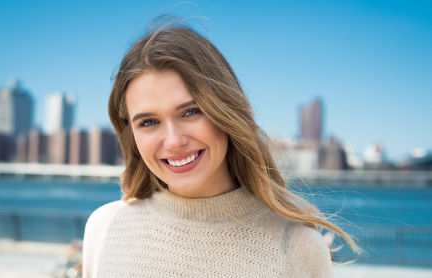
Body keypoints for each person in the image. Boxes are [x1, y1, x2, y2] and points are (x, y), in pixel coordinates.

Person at [83, 21, 357, 278]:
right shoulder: (105, 227)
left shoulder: (297, 247)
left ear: (225, 111)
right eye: (149, 122)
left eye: (191, 112)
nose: (174, 141)